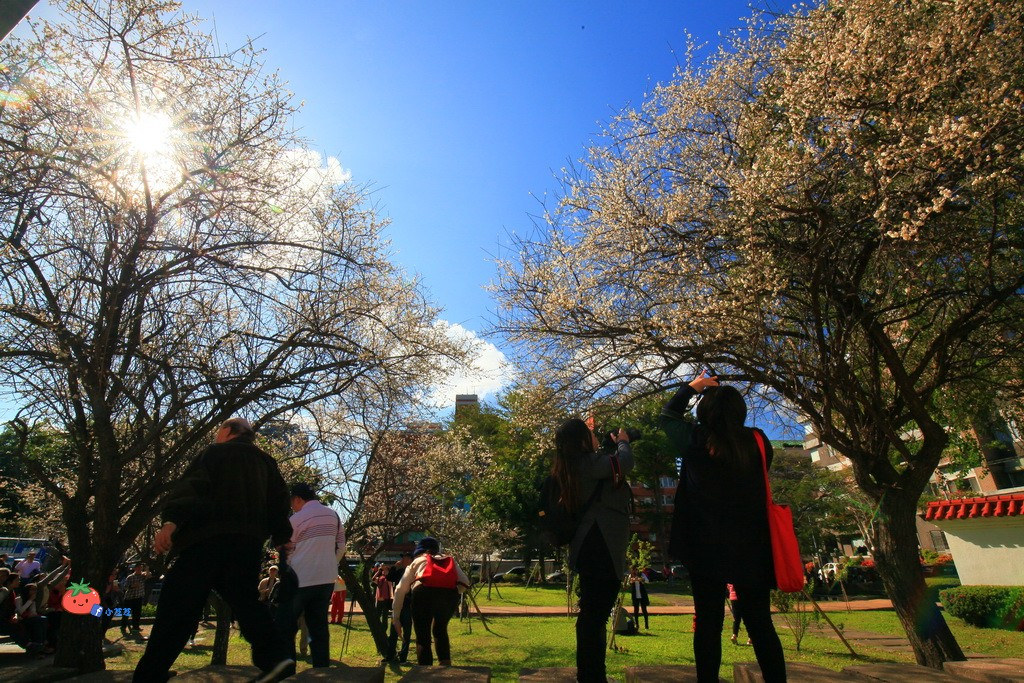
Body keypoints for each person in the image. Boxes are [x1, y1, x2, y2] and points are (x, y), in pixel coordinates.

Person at [133, 417, 295, 683]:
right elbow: (278, 502)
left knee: (178, 603)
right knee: (245, 602)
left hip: (206, 539)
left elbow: (192, 488)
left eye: (219, 430)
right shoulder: (266, 462)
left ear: (228, 431)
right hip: (247, 543)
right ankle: (277, 659)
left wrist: (171, 522)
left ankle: (151, 673)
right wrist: (281, 536)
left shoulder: (215, 453)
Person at [661, 372, 786, 682]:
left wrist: (693, 387)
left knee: (708, 622)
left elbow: (668, 415)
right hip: (751, 543)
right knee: (760, 623)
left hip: (704, 544)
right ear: (739, 411)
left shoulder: (695, 439)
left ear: (704, 411)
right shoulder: (758, 441)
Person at [551, 418, 633, 683]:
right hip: (600, 545)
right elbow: (624, 463)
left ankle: (591, 674)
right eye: (590, 432)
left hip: (589, 545)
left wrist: (612, 446)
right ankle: (591, 676)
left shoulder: (575, 464)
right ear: (582, 441)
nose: (594, 434)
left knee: (592, 614)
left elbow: (609, 467)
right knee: (595, 616)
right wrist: (623, 443)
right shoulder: (588, 463)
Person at [275, 482, 345, 669]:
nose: (292, 506)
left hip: (300, 579)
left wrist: (288, 568)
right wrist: (329, 564)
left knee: (285, 627)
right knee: (318, 628)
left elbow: (286, 551)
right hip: (326, 580)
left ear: (298, 499)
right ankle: (321, 672)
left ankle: (287, 671)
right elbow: (341, 547)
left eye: (292, 502)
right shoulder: (334, 515)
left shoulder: (296, 519)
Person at [392, 537, 469, 666]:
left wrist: (396, 618)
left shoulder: (418, 561)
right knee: (440, 630)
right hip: (448, 595)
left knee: (423, 637)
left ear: (419, 551)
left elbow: (400, 589)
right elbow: (465, 583)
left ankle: (425, 672)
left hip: (423, 593)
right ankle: (445, 667)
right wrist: (449, 592)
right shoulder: (450, 560)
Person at [385, 553, 413, 662]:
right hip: (397, 604)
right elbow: (389, 578)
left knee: (406, 632)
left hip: (407, 605)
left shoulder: (413, 572)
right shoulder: (400, 571)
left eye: (404, 558)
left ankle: (403, 657)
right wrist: (394, 567)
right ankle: (390, 655)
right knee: (393, 631)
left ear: (410, 559)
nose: (402, 560)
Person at [121, 562, 150, 638]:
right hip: (129, 598)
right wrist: (132, 586)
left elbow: (148, 575)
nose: (140, 569)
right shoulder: (130, 577)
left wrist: (147, 568)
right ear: (135, 568)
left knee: (137, 613)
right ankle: (123, 626)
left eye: (141, 568)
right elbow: (125, 587)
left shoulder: (143, 576)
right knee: (126, 613)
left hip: (138, 597)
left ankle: (135, 627)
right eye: (138, 568)